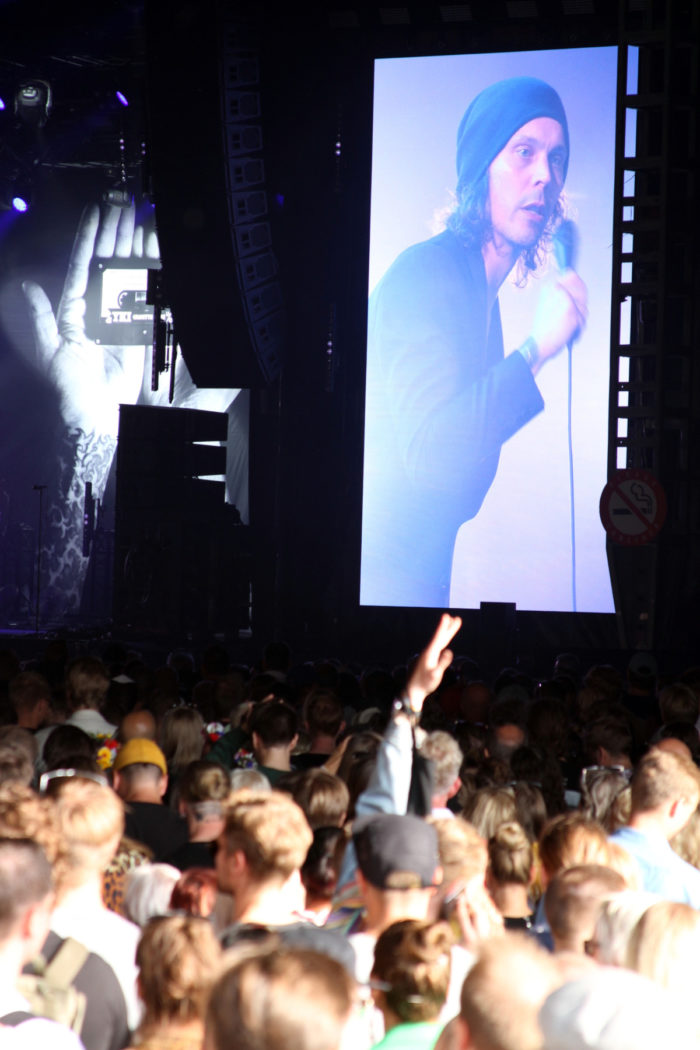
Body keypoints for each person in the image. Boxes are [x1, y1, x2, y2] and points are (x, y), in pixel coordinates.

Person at [361, 76, 586, 606]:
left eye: (557, 159)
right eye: (523, 152)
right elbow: (432, 459)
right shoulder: (426, 275)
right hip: (378, 584)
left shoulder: (481, 302)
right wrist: (538, 348)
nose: (544, 177)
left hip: (419, 586)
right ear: (480, 168)